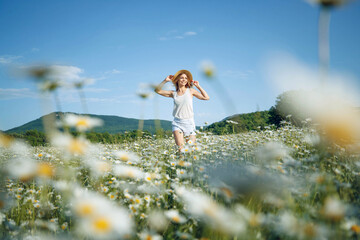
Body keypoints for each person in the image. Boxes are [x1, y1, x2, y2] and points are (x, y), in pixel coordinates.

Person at [155, 69, 210, 151]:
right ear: (177, 80)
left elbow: (206, 97)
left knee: (191, 150)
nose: (184, 79)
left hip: (189, 122)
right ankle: (180, 163)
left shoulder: (191, 91)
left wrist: (198, 86)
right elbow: (157, 90)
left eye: (185, 78)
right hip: (177, 123)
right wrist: (165, 81)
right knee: (181, 149)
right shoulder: (173, 93)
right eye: (181, 78)